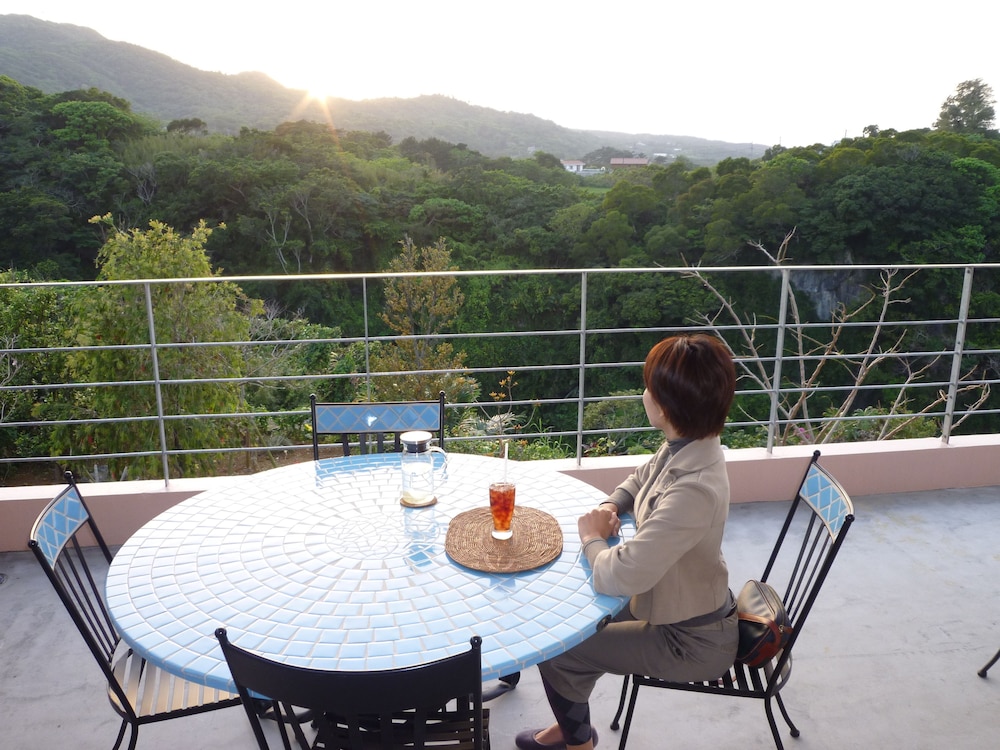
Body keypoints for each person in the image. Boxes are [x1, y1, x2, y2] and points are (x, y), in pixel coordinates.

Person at [515, 334, 739, 750]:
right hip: (666, 603)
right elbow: (639, 480)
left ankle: (577, 742)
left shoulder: (695, 488)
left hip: (689, 639)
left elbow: (619, 575)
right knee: (562, 619)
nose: (644, 394)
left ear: (665, 407)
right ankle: (571, 725)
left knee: (559, 648)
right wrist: (610, 505)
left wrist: (591, 536)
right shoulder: (687, 446)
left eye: (649, 388)